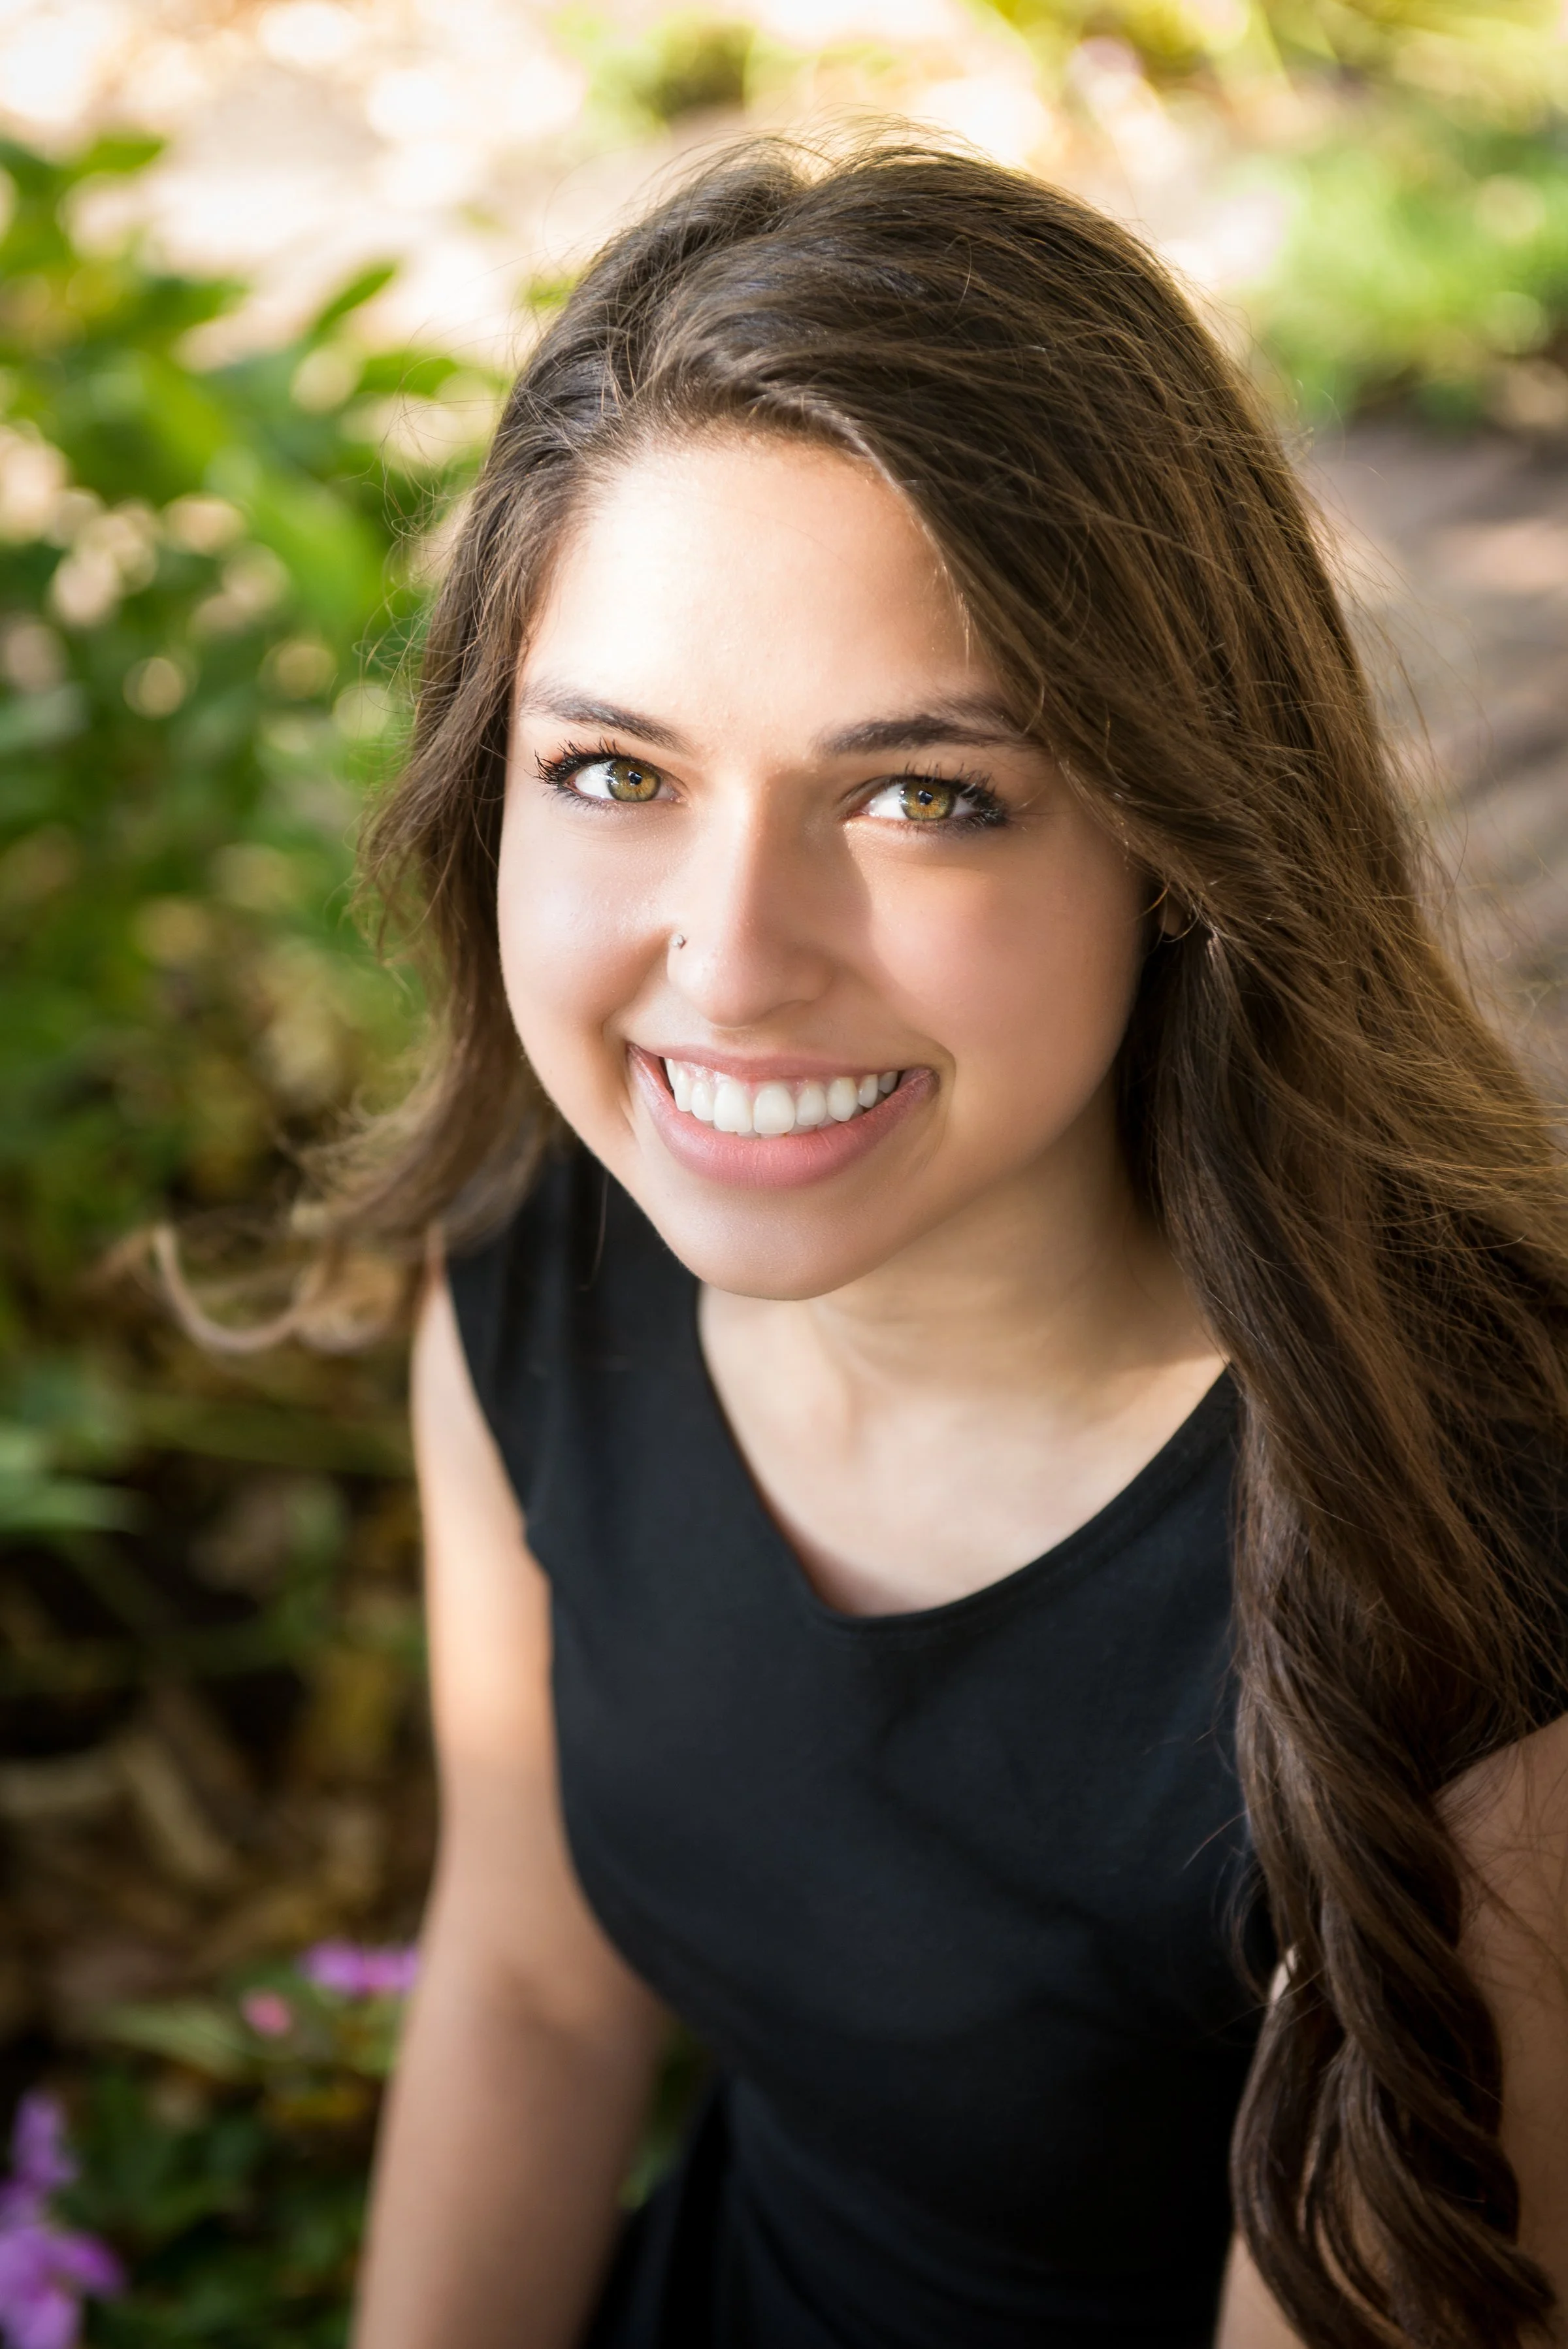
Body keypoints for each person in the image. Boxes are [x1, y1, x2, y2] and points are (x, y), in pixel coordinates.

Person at [327, 140, 1568, 2349]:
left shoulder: (1477, 1575)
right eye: (616, 771)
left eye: (925, 795)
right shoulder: (539, 1268)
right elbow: (524, 1985)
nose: (730, 962)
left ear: (1186, 841)